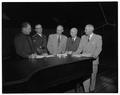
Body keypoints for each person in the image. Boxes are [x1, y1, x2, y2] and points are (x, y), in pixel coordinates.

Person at [73, 24, 102, 92]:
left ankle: (92, 90)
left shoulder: (98, 37)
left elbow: (99, 49)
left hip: (93, 61)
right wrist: (74, 54)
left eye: (86, 29)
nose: (84, 30)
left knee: (93, 77)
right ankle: (86, 92)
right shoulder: (83, 37)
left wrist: (92, 56)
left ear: (91, 30)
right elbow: (80, 48)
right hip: (84, 62)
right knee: (85, 77)